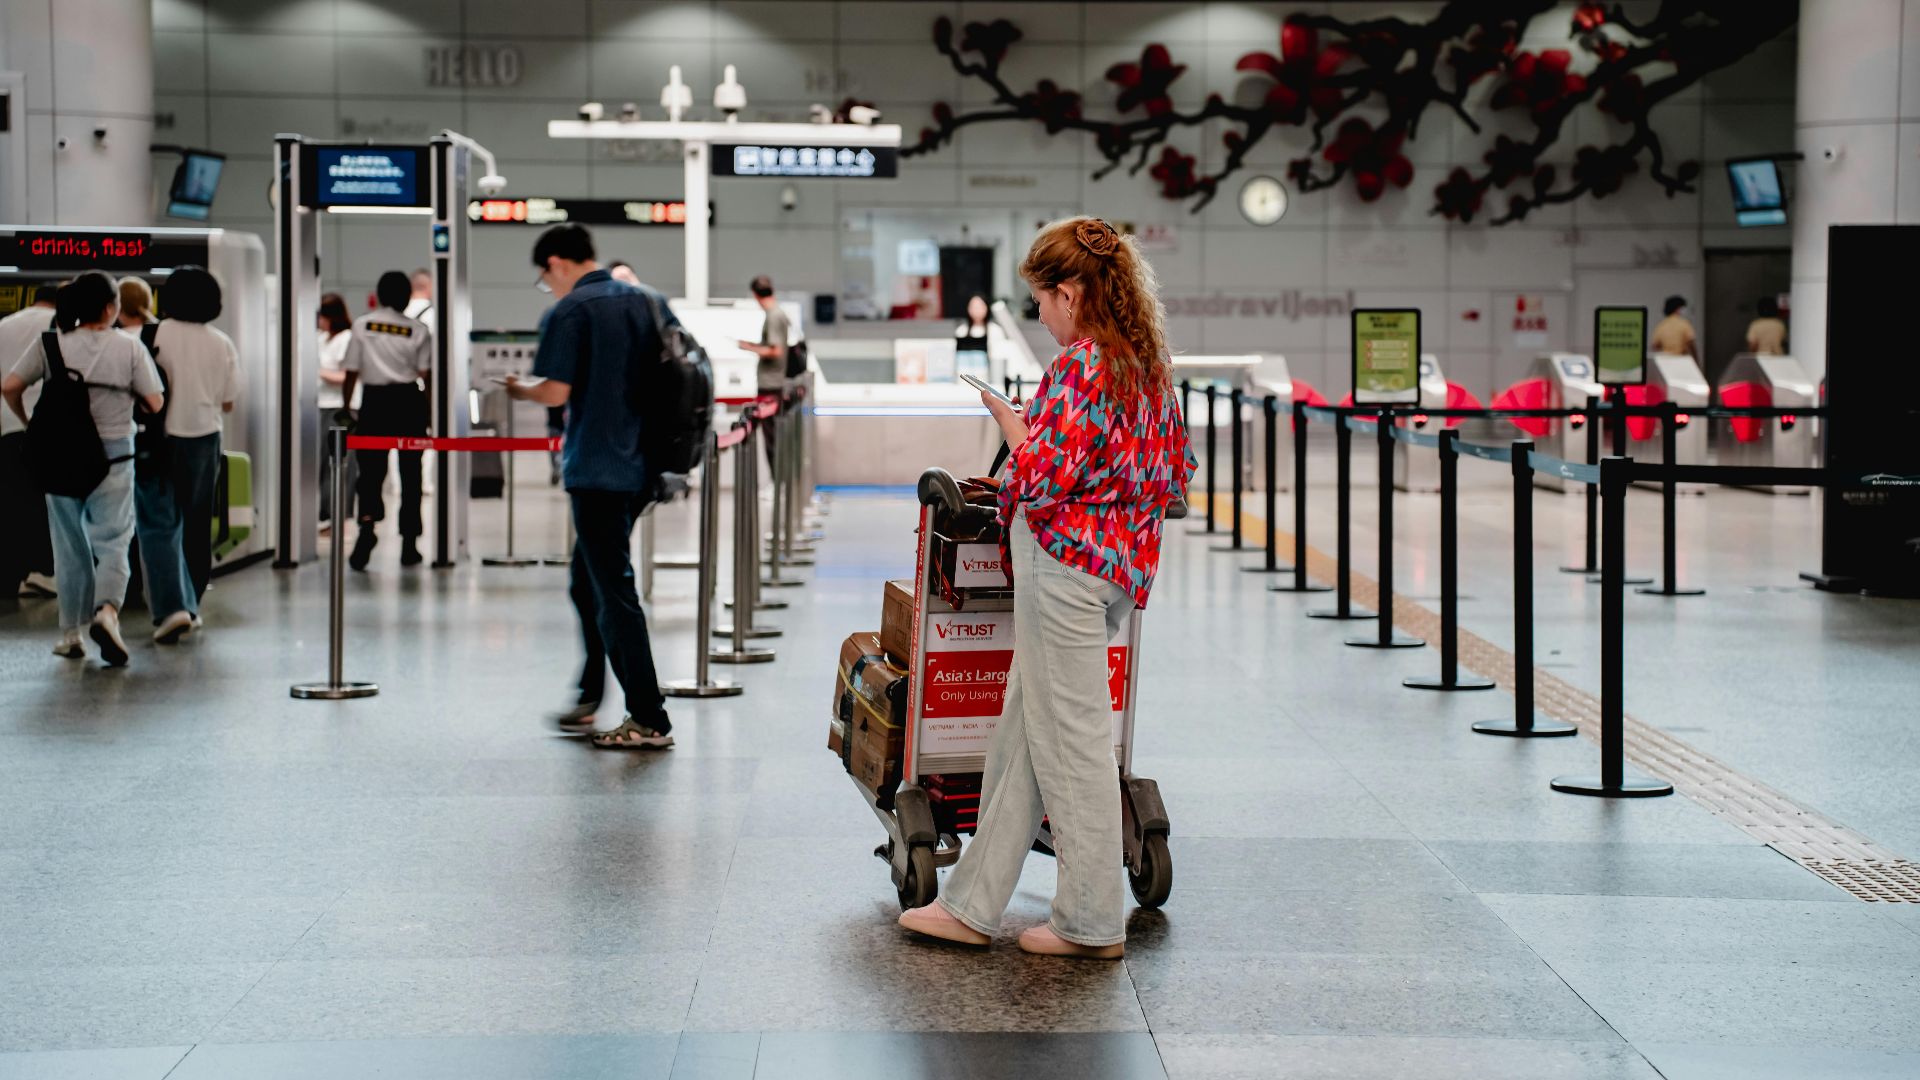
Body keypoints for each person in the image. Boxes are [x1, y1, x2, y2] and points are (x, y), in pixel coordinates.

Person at [899, 217, 1194, 959]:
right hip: (1117, 569)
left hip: (1063, 570)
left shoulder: (1082, 366)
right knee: (1024, 741)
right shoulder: (1147, 363)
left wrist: (1016, 426)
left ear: (1071, 292)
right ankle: (969, 904)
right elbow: (1174, 473)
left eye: (1042, 299)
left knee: (1073, 747)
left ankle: (1090, 922)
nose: (1039, 314)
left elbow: (1039, 479)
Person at [505, 223, 674, 750]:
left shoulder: (571, 310)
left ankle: (648, 717)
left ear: (557, 262)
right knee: (588, 581)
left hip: (597, 469)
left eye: (544, 277)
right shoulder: (647, 301)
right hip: (642, 466)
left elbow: (556, 392)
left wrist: (517, 388)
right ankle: (589, 692)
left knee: (614, 592)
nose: (548, 287)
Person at [2, 271, 166, 666]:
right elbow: (156, 402)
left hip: (58, 457)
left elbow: (10, 385)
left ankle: (71, 635)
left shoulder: (51, 343)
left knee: (68, 545)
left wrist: (27, 422)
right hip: (114, 457)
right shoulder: (128, 348)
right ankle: (107, 613)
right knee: (112, 541)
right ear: (112, 308)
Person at [133, 266, 239, 643]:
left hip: (156, 438)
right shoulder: (221, 342)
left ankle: (170, 608)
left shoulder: (149, 334)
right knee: (196, 525)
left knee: (158, 524)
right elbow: (228, 401)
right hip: (205, 438)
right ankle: (191, 606)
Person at [340, 271, 432, 570]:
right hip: (409, 402)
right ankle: (409, 543)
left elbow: (351, 372)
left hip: (374, 404)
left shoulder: (363, 325)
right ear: (406, 297)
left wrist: (346, 407)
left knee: (370, 473)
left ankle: (367, 529)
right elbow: (425, 375)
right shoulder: (417, 329)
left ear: (379, 295)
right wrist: (430, 412)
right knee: (411, 475)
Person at [0, 284, 59, 603]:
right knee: (49, 503)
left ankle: (9, 576)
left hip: (9, 425)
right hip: (52, 427)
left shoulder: (4, 325)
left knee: (11, 502)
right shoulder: (62, 326)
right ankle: (45, 571)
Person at [737, 274, 791, 470]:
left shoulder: (774, 316)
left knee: (771, 437)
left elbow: (775, 350)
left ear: (755, 294)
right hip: (774, 382)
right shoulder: (778, 314)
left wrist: (749, 348)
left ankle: (777, 482)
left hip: (771, 383)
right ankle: (778, 482)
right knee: (772, 436)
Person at [316, 292, 358, 528]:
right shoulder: (322, 338)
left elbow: (346, 376)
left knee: (341, 462)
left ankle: (338, 515)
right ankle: (325, 513)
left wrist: (318, 371)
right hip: (320, 405)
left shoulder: (346, 339)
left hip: (340, 407)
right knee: (324, 462)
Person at [954, 293, 995, 380]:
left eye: (980, 306)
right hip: (964, 379)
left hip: (987, 379)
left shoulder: (995, 330)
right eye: (973, 307)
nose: (976, 310)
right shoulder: (961, 331)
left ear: (986, 307)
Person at [1650, 295, 1697, 360]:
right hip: (1681, 361)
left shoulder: (1661, 325)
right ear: (1678, 309)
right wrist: (1696, 361)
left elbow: (1655, 346)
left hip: (1666, 362)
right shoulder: (1684, 324)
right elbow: (1691, 344)